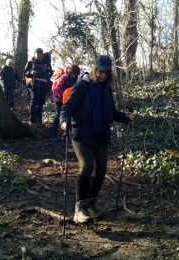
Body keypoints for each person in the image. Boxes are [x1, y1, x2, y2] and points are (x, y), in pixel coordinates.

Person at [59, 55, 134, 224]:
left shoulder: (106, 89)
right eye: (100, 72)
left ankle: (91, 203)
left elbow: (112, 112)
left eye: (106, 73)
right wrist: (64, 122)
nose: (103, 75)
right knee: (87, 165)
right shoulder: (83, 86)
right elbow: (67, 107)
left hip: (100, 133)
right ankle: (80, 208)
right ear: (95, 69)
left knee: (101, 168)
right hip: (80, 132)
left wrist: (125, 117)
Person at [24, 48, 53, 124]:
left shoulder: (46, 62)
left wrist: (48, 75)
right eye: (37, 54)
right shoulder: (31, 62)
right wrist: (31, 72)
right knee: (34, 101)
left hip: (44, 84)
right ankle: (32, 120)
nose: (39, 55)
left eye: (40, 54)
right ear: (34, 54)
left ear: (42, 55)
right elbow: (25, 72)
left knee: (41, 102)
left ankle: (39, 119)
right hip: (35, 84)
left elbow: (50, 71)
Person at [51, 64, 81, 137]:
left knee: (69, 116)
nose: (74, 76)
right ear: (70, 72)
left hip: (70, 101)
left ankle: (66, 133)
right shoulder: (64, 77)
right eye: (74, 74)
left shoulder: (77, 80)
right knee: (58, 115)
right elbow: (57, 87)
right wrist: (55, 96)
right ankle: (53, 133)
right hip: (60, 100)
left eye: (76, 74)